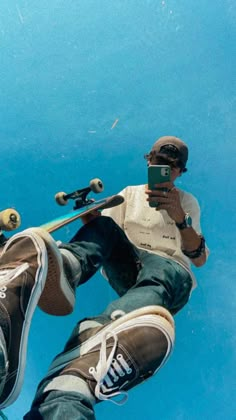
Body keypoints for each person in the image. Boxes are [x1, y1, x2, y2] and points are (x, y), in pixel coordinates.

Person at [0, 136, 209, 419]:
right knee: (106, 228)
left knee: (159, 271)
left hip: (170, 273)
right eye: (159, 163)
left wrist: (179, 217)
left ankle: (106, 329)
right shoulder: (129, 194)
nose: (164, 171)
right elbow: (103, 230)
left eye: (171, 167)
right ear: (148, 161)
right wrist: (89, 214)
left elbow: (199, 257)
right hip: (129, 267)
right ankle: (67, 267)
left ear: (180, 172)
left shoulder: (186, 202)